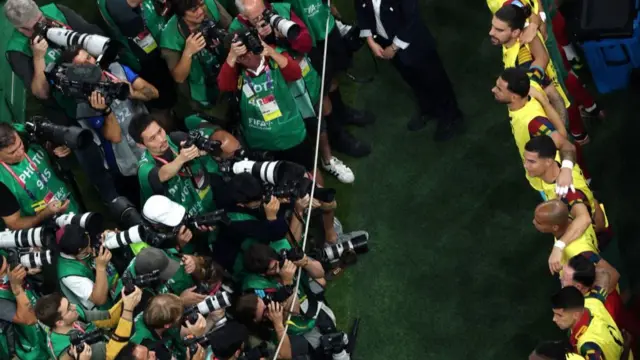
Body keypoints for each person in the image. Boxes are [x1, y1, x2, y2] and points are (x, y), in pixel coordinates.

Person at [4, 0, 120, 204]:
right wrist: (39, 57)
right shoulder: (17, 50)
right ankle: (110, 196)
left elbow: (96, 36)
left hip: (95, 85)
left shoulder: (55, 11)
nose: (42, 26)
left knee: (120, 132)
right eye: (35, 27)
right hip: (65, 109)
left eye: (41, 20)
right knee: (89, 152)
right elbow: (41, 93)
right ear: (20, 29)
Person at [230, 0, 355, 183]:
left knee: (316, 117)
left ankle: (327, 159)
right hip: (271, 91)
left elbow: (306, 43)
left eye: (263, 13)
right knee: (292, 134)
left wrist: (282, 36)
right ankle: (305, 173)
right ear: (243, 17)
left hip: (298, 79)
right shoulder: (236, 28)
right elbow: (237, 69)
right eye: (255, 18)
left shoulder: (281, 10)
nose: (262, 19)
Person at [63, 47, 159, 207]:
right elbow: (115, 136)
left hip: (152, 146)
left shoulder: (117, 70)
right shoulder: (85, 103)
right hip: (125, 165)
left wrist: (132, 92)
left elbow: (154, 93)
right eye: (82, 65)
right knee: (148, 205)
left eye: (89, 57)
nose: (90, 64)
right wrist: (106, 110)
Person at [355, 0, 463, 140]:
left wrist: (394, 47)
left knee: (436, 79)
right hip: (387, 45)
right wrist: (371, 42)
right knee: (413, 79)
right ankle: (429, 108)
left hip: (415, 44)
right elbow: (362, 13)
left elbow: (412, 20)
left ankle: (451, 116)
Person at [129, 113, 234, 219]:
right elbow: (162, 174)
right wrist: (182, 158)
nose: (161, 139)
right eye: (152, 138)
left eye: (160, 131)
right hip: (180, 221)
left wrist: (201, 151)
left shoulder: (175, 139)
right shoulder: (144, 168)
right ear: (141, 145)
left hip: (204, 201)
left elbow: (203, 147)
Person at [491, 67, 576, 195]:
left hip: (551, 180)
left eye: (499, 89)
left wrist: (566, 169)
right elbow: (540, 63)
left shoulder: (534, 123)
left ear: (514, 97)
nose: (493, 90)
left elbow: (563, 140)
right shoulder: (529, 84)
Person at [97, 0, 178, 129]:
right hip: (147, 61)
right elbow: (131, 22)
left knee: (171, 99)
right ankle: (167, 136)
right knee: (162, 105)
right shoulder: (114, 5)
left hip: (159, 46)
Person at [523, 136, 612, 253]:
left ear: (548, 161)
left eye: (531, 162)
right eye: (526, 160)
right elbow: (565, 143)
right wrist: (567, 167)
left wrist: (559, 246)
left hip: (592, 232)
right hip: (591, 206)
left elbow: (584, 219)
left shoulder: (567, 192)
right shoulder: (561, 161)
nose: (525, 165)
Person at [160, 0, 233, 120]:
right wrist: (188, 52)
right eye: (194, 9)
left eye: (201, 5)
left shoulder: (210, 5)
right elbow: (179, 77)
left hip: (226, 71)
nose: (200, 11)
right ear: (181, 13)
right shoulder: (170, 37)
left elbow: (232, 29)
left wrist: (222, 40)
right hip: (202, 92)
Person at [0, 123, 79, 230]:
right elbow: (14, 223)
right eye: (12, 152)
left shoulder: (27, 133)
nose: (20, 152)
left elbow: (51, 142)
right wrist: (43, 215)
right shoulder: (2, 181)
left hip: (71, 205)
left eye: (20, 144)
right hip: (46, 230)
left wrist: (58, 146)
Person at [34, 292, 125, 360]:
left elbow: (107, 317)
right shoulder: (65, 350)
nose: (74, 306)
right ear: (60, 322)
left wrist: (126, 298)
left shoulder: (74, 314)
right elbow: (112, 351)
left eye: (69, 303)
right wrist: (127, 310)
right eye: (69, 309)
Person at [55, 225, 120, 311]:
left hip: (115, 285)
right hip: (104, 311)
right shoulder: (69, 275)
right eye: (85, 251)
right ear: (72, 254)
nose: (90, 250)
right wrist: (100, 268)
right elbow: (99, 300)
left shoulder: (82, 238)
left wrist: (112, 238)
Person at [551, 286, 625, 359]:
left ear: (576, 315)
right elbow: (602, 286)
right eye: (554, 313)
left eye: (559, 315)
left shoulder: (588, 346)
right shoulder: (591, 301)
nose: (554, 319)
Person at [0, 252, 49, 360]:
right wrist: (17, 288)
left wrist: (26, 270)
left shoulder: (4, 252)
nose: (9, 272)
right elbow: (30, 319)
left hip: (48, 327)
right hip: (32, 348)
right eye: (2, 273)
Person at [130, 293, 206, 359]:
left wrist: (194, 332)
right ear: (167, 325)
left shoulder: (154, 314)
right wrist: (194, 337)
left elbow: (185, 333)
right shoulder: (148, 346)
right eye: (179, 319)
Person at [532, 200, 599, 273]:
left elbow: (597, 274)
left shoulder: (577, 254)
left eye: (539, 222)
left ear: (555, 227)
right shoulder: (572, 216)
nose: (533, 222)